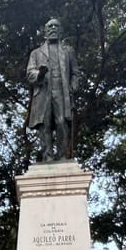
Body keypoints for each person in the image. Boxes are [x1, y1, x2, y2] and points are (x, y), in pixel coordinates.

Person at [26, 17, 79, 162]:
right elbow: (30, 73)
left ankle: (62, 155)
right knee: (45, 125)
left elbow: (75, 72)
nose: (53, 29)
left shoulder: (68, 51)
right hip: (43, 91)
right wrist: (40, 73)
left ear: (60, 30)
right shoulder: (36, 53)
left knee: (62, 123)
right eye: (50, 27)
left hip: (61, 91)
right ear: (45, 31)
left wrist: (73, 86)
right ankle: (47, 156)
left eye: (56, 26)